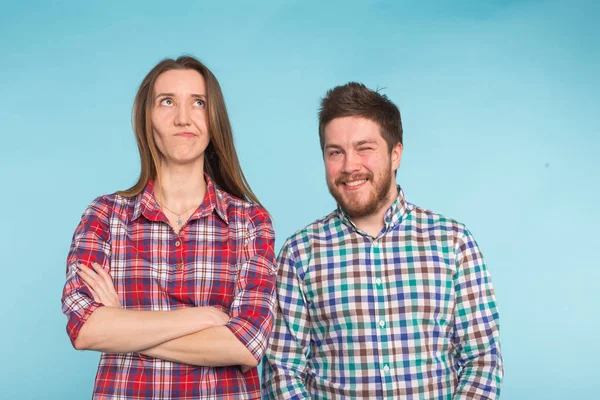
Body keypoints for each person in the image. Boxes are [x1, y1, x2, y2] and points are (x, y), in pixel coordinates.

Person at [262, 82, 503, 399]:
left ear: (395, 154)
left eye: (364, 148)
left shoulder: (454, 242)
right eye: (336, 152)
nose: (350, 166)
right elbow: (282, 372)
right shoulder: (299, 253)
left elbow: (482, 362)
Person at [61, 55, 276, 399]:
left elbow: (246, 345)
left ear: (214, 118)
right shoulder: (104, 215)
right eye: (167, 102)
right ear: (147, 119)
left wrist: (123, 323)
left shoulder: (250, 222)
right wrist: (204, 317)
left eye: (198, 103)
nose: (182, 118)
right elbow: (85, 329)